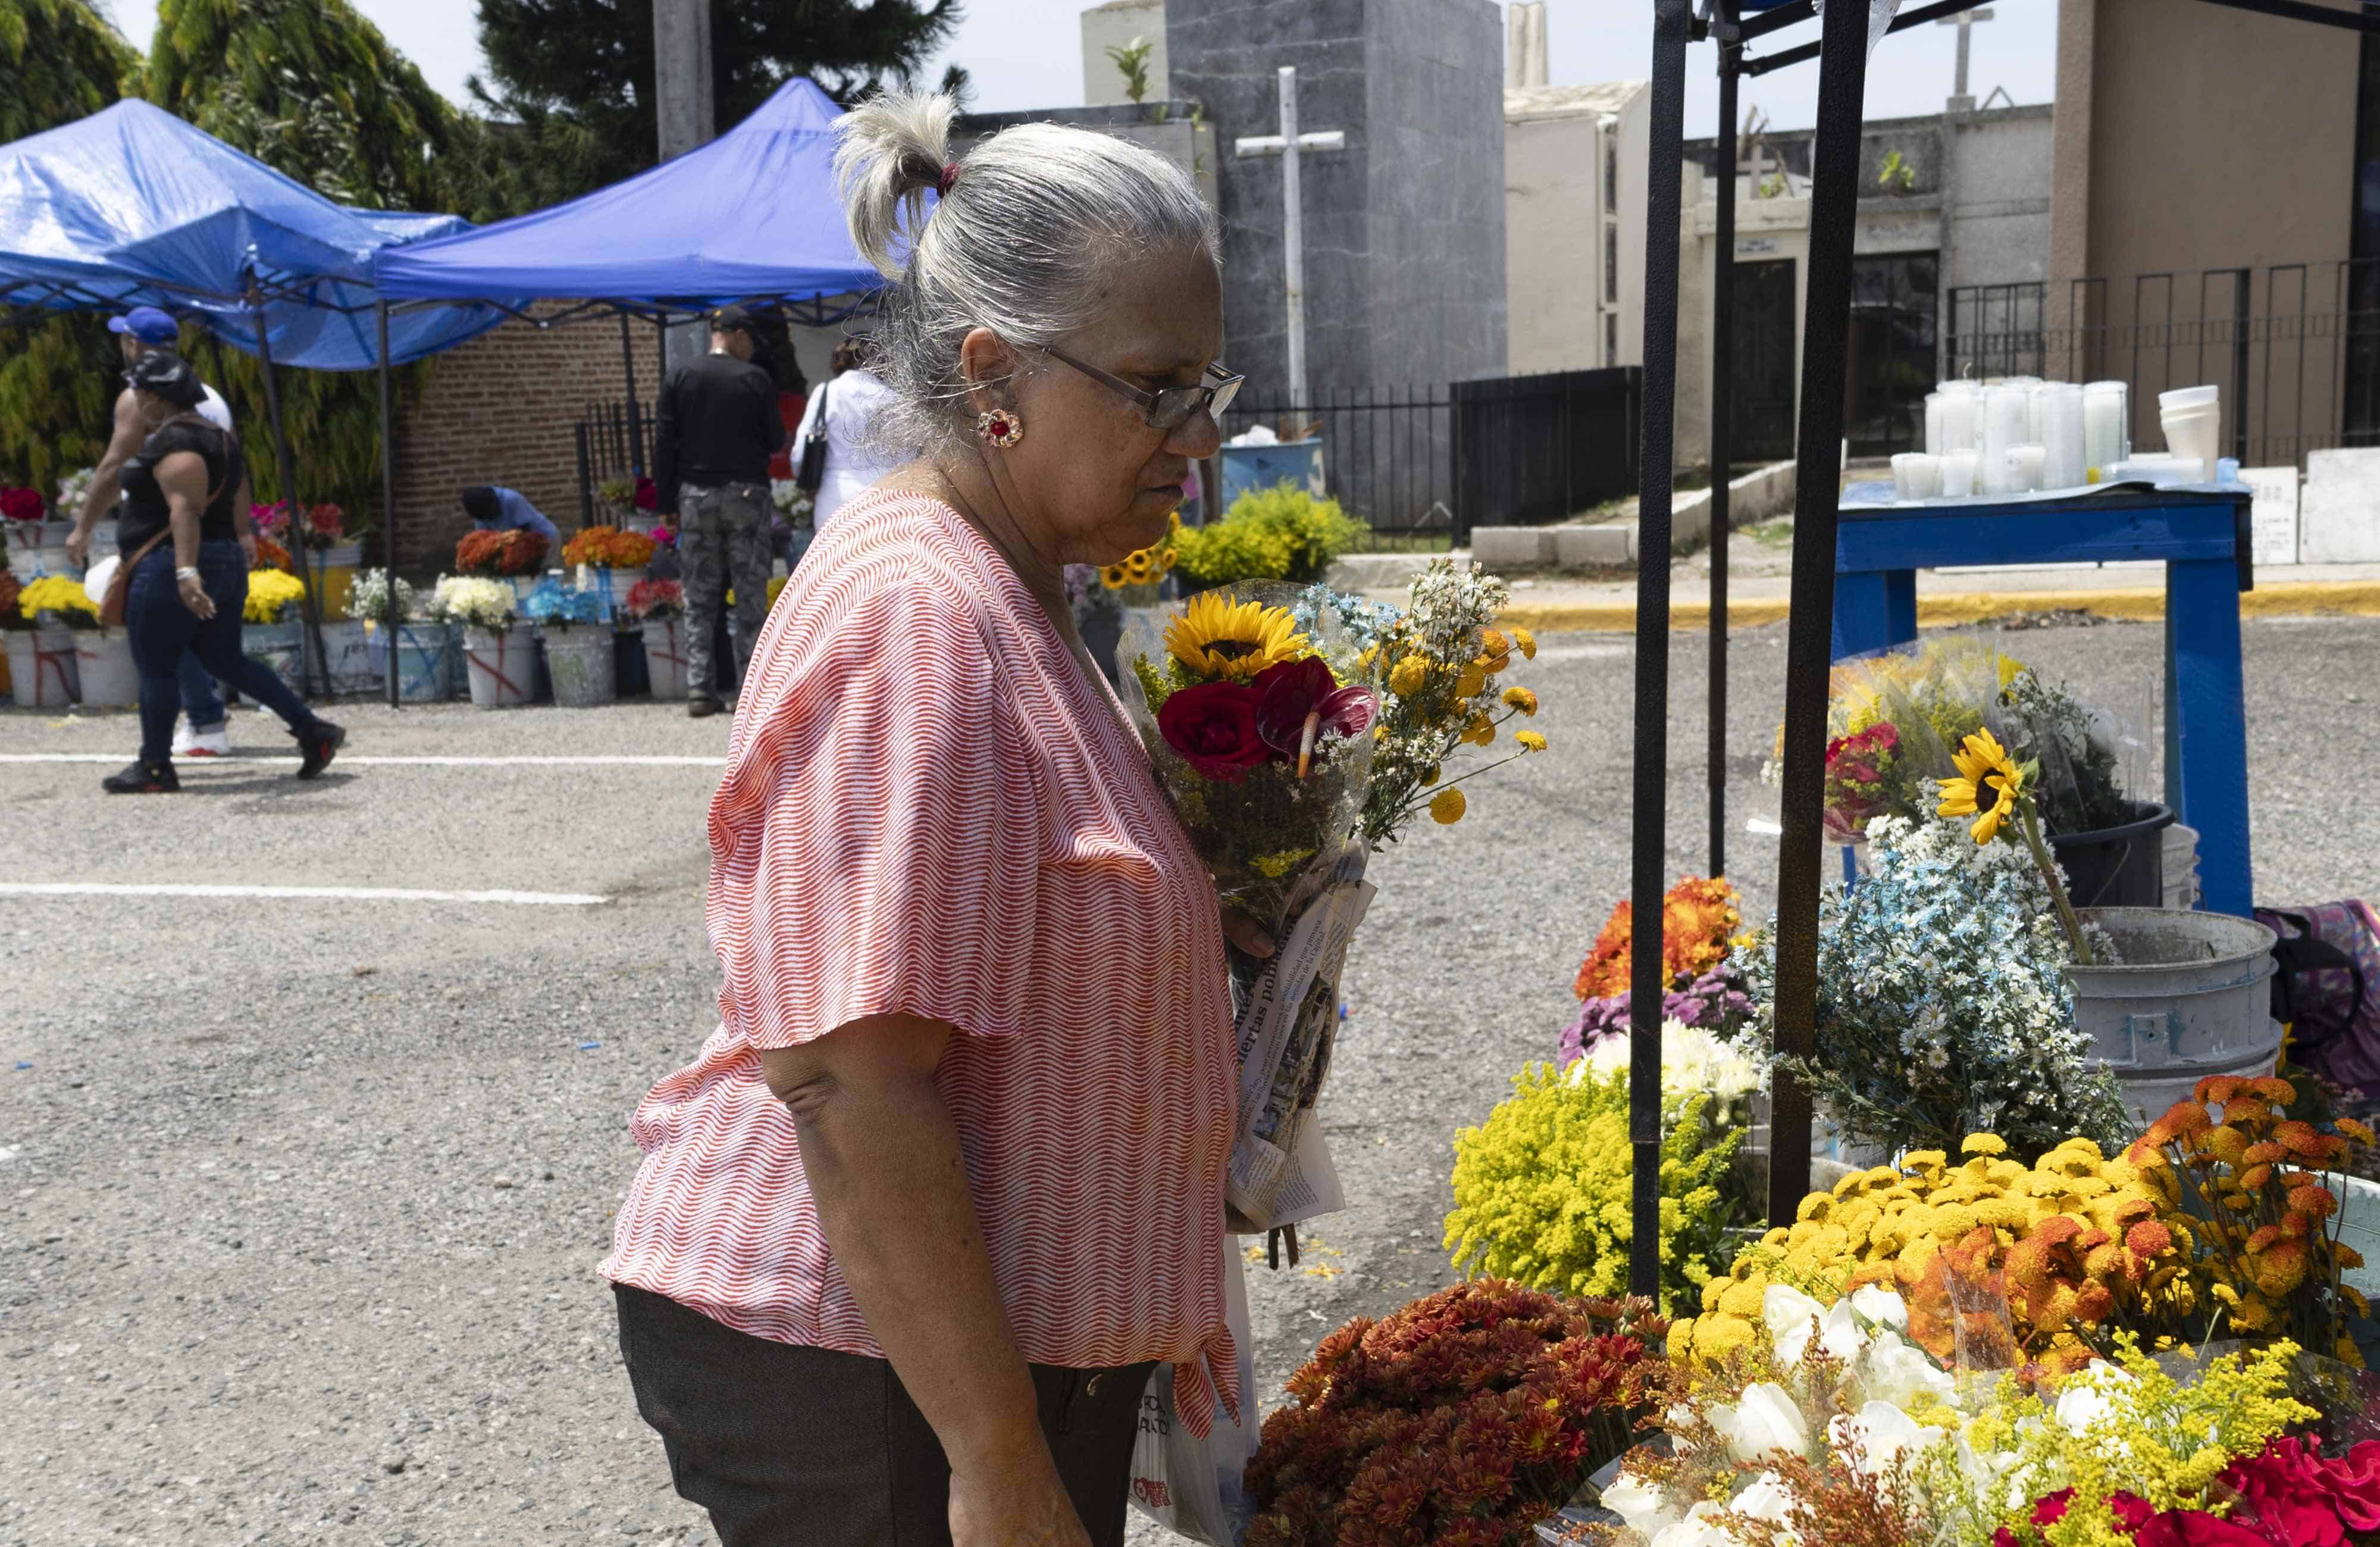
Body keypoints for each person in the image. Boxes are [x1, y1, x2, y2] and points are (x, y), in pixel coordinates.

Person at [602, 94, 1252, 1547]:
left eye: (1207, 386)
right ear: (992, 373)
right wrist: (999, 1460)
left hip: (956, 1358)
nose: (1194, 440)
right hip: (867, 1370)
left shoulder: (1019, 582)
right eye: (1156, 387)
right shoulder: (917, 612)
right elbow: (849, 1077)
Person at [102, 353, 343, 794]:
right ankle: (312, 731)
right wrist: (239, 541)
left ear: (156, 396)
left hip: (172, 565)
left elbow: (185, 509)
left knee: (156, 666)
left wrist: (186, 572)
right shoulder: (221, 438)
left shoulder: (177, 442)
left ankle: (154, 766)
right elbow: (237, 494)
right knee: (225, 659)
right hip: (224, 558)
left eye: (139, 391)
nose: (134, 398)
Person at [65, 306, 253, 759]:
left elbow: (113, 467)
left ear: (133, 344)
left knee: (155, 633)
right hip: (215, 531)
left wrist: (83, 527)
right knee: (201, 641)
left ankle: (201, 723)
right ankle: (226, 716)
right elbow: (237, 468)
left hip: (162, 531)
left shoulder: (138, 396)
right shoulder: (209, 396)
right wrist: (242, 532)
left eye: (123, 340)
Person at [652, 305, 784, 718]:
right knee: (748, 596)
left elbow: (664, 444)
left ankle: (699, 690)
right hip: (746, 496)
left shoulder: (681, 375)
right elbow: (776, 439)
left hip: (695, 496)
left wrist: (664, 503)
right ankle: (748, 689)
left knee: (699, 595)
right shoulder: (754, 379)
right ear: (740, 334)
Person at [791, 334, 909, 528]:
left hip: (836, 498)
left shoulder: (827, 392)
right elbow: (910, 456)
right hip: (888, 499)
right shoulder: (895, 399)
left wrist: (807, 481)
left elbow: (801, 452)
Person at [459, 484, 562, 556]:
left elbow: (527, 535)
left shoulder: (512, 499)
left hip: (545, 539)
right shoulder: (480, 509)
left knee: (542, 578)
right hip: (516, 547)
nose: (490, 519)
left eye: (491, 514)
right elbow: (485, 539)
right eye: (486, 517)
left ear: (495, 502)